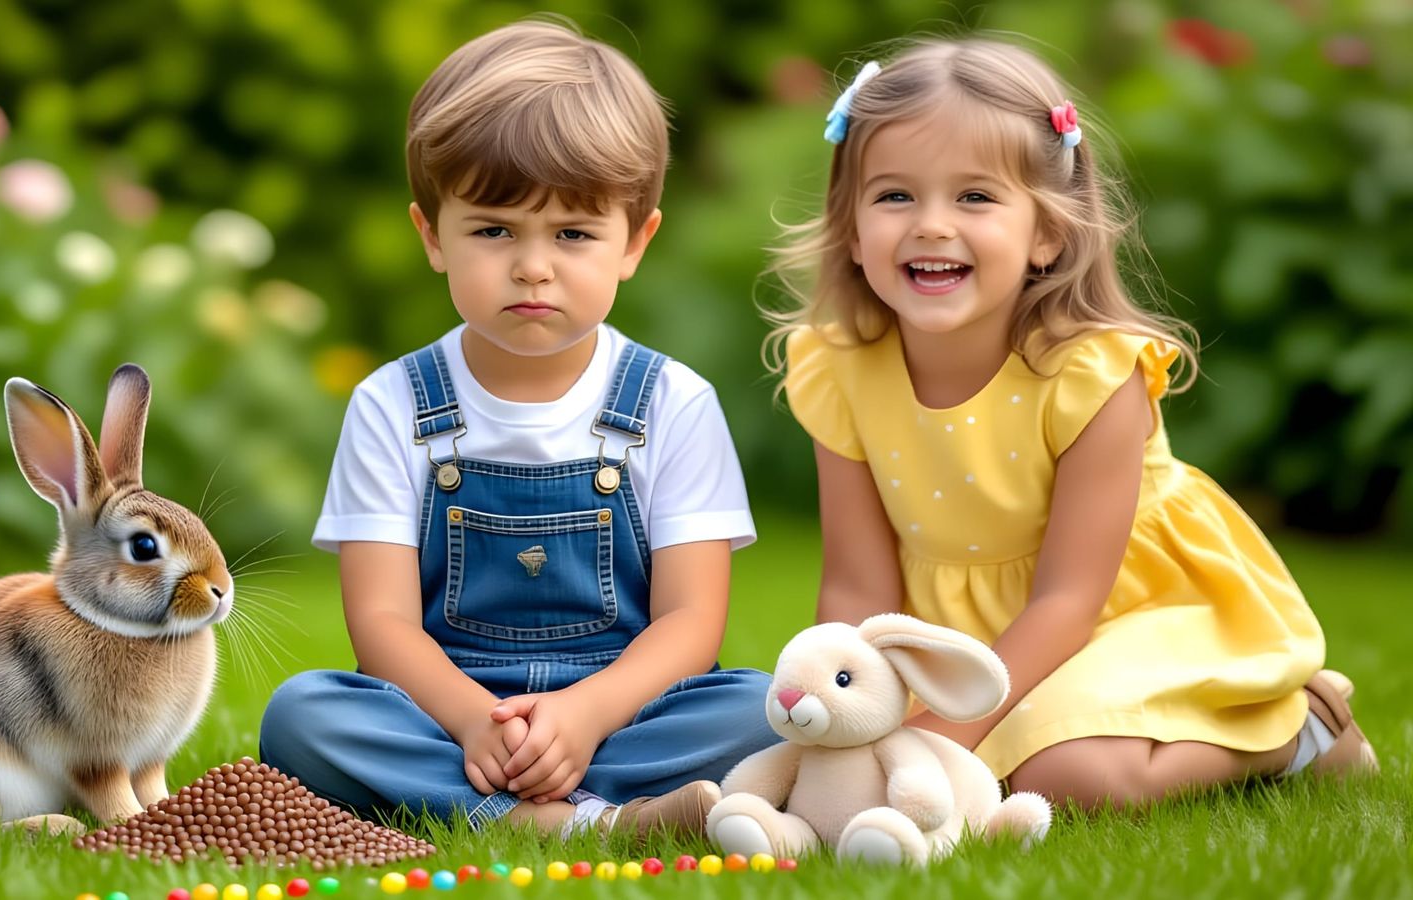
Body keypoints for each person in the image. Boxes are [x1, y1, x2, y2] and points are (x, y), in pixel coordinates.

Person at [769, 37, 1378, 810]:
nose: (930, 225)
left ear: (1048, 232)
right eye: (894, 196)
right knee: (957, 774)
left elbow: (1068, 601)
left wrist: (950, 736)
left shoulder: (1090, 375)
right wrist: (856, 719)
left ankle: (1299, 731)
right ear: (853, 230)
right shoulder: (838, 369)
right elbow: (858, 584)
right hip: (969, 635)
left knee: (1071, 779)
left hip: (1130, 615)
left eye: (975, 197)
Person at [261, 19, 777, 839]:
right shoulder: (392, 404)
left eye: (573, 234)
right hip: (446, 710)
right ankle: (580, 820)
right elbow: (382, 623)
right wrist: (473, 720)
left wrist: (586, 715)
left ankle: (538, 803)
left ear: (635, 242)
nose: (533, 265)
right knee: (306, 717)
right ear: (432, 235)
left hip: (624, 707)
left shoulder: (671, 401)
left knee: (763, 708)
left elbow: (691, 622)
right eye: (494, 230)